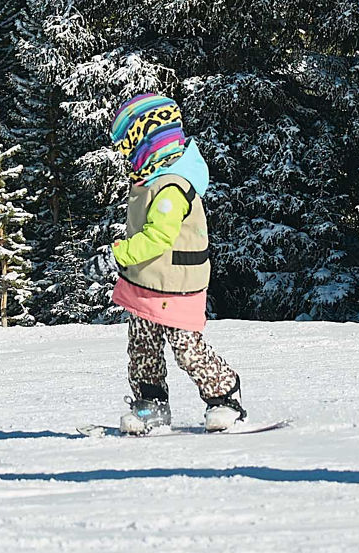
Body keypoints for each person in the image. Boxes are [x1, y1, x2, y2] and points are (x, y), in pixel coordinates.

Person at [104, 94, 253, 435]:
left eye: (128, 145)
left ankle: (224, 395)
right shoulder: (151, 181)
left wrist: (117, 254)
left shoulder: (172, 187)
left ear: (148, 141)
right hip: (146, 283)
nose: (126, 155)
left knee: (187, 348)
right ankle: (151, 405)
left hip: (178, 286)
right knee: (142, 349)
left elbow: (158, 238)